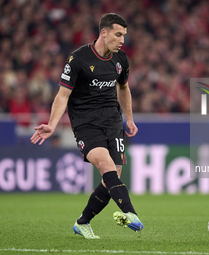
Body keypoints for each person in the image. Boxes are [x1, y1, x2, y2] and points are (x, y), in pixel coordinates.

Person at [30, 13, 143, 239]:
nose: (122, 40)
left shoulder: (121, 60)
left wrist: (129, 118)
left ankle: (82, 223)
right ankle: (130, 213)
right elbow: (63, 95)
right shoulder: (78, 59)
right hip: (86, 124)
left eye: (124, 35)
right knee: (105, 164)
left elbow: (123, 88)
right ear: (104, 32)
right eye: (118, 34)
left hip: (112, 121)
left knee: (112, 176)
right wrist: (53, 124)